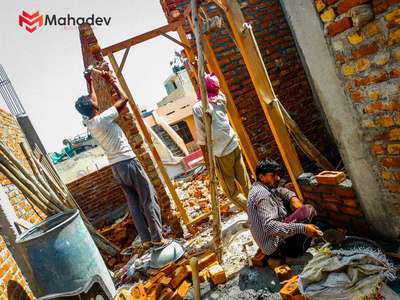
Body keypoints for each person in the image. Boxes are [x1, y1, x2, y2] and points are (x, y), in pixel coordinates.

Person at [75, 67, 164, 249]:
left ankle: (146, 239)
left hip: (117, 168)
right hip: (129, 163)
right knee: (148, 199)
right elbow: (124, 100)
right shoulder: (102, 119)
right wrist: (111, 80)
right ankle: (158, 238)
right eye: (93, 102)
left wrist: (89, 80)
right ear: (92, 107)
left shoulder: (89, 123)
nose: (94, 100)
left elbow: (92, 100)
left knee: (134, 204)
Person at [192, 73, 251, 212]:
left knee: (231, 192)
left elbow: (202, 137)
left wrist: (207, 161)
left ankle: (255, 214)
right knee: (245, 183)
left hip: (222, 152)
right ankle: (260, 207)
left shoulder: (198, 108)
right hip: (234, 144)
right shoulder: (221, 98)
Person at [247, 159, 322, 258]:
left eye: (277, 174)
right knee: (308, 211)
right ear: (261, 177)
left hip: (270, 245)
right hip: (276, 248)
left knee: (287, 202)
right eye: (273, 175)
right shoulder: (262, 195)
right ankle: (294, 254)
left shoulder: (260, 186)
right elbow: (270, 227)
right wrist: (304, 228)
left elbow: (279, 190)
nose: (278, 178)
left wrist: (292, 197)